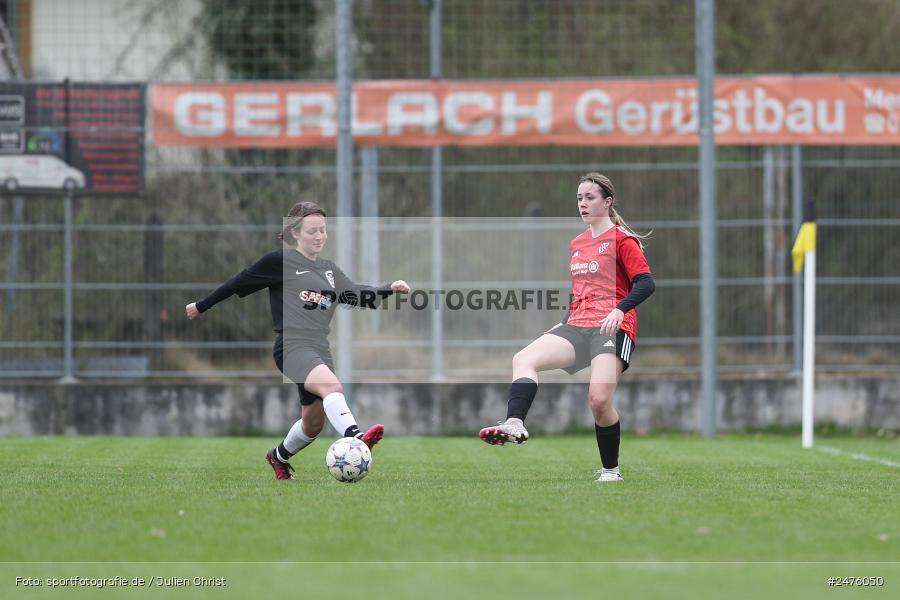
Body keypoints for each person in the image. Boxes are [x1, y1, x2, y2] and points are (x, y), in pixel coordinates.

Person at [186, 201, 410, 481]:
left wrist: (389, 289)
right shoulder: (280, 262)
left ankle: (277, 457)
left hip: (319, 349)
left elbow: (355, 294)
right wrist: (201, 306)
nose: (319, 236)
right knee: (332, 387)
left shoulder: (328, 270)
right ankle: (356, 438)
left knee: (313, 423)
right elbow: (238, 282)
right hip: (292, 346)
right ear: (294, 233)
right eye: (311, 231)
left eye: (323, 230)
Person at [479, 173, 655, 483]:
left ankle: (611, 471)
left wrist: (619, 309)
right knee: (524, 358)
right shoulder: (578, 243)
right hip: (578, 323)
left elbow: (646, 283)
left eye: (590, 197)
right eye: (579, 198)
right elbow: (583, 292)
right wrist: (563, 322)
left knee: (599, 400)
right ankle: (514, 423)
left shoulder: (622, 240)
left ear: (608, 201)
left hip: (611, 327)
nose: (583, 203)